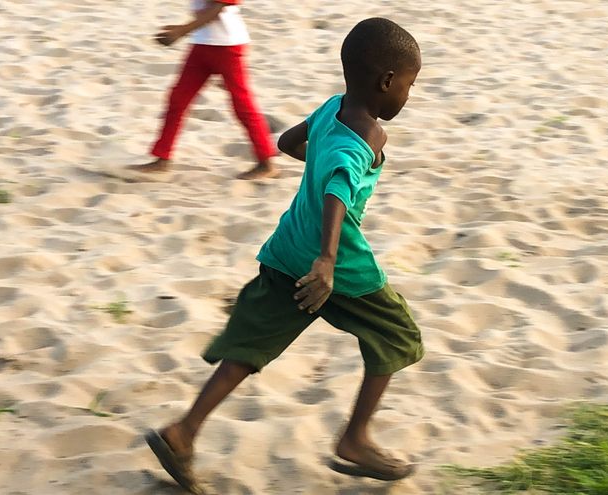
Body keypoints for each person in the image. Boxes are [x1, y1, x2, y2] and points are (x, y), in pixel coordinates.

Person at [144, 17, 423, 490]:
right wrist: (327, 260)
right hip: (337, 266)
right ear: (386, 81)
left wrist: (319, 165)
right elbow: (337, 190)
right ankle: (355, 438)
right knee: (398, 336)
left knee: (249, 348)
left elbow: (287, 143)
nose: (408, 95)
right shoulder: (369, 137)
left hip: (286, 250)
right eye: (409, 86)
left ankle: (183, 432)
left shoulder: (332, 108)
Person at [130, 0, 279, 180]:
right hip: (201, 43)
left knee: (242, 105)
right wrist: (182, 29)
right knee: (178, 99)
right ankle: (162, 158)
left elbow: (217, 8)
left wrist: (182, 30)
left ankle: (266, 162)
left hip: (228, 46)